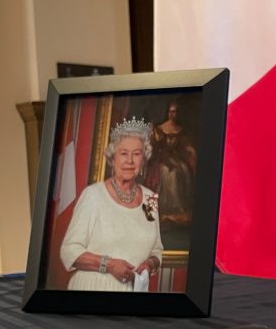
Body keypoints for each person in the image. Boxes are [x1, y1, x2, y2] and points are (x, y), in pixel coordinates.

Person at [59, 117, 163, 291]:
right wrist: (109, 265)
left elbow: (157, 249)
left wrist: (150, 264)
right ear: (112, 159)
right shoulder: (93, 195)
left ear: (143, 160)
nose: (130, 161)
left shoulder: (149, 199)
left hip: (134, 292)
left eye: (136, 154)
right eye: (123, 153)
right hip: (93, 290)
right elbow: (69, 251)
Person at [149, 100, 197, 223]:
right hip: (161, 158)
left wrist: (192, 152)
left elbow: (186, 146)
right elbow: (153, 146)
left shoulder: (180, 130)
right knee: (169, 172)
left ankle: (178, 209)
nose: (173, 114)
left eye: (175, 112)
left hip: (176, 158)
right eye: (171, 111)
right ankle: (166, 207)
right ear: (167, 112)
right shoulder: (159, 128)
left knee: (184, 170)